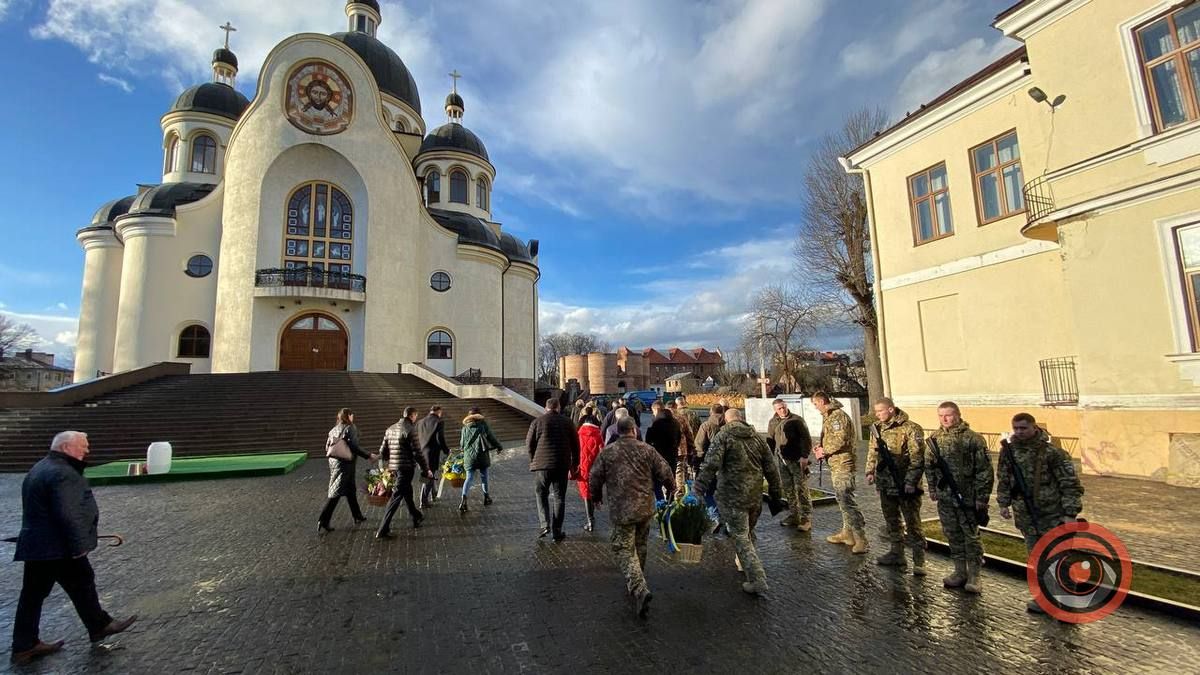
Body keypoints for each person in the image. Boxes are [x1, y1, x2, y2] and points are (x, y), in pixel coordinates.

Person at [9, 431, 136, 666]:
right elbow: (68, 513)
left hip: (39, 546)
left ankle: (24, 645)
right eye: (83, 446)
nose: (86, 451)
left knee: (34, 595)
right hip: (60, 547)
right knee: (82, 581)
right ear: (67, 447)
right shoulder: (63, 474)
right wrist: (79, 546)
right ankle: (99, 625)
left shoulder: (40, 467)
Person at [997, 412, 1084, 613]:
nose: (1019, 432)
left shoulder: (1052, 453)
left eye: (1023, 428)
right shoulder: (1009, 451)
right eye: (1016, 428)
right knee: (1036, 558)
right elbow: (1004, 477)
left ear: (1034, 427)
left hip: (1052, 514)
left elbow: (1070, 484)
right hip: (1026, 515)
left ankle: (1067, 600)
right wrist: (1004, 503)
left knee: (1060, 558)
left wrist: (1070, 513)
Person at [588, 416, 675, 618]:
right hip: (645, 506)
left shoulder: (608, 452)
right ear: (634, 430)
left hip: (622, 509)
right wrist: (671, 487)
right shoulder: (647, 449)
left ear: (618, 432)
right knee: (640, 545)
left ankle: (638, 587)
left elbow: (594, 476)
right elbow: (665, 471)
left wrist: (596, 497)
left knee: (623, 548)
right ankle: (638, 580)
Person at [693, 409, 783, 595]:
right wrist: (776, 493)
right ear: (741, 419)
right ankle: (743, 562)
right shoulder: (757, 437)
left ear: (726, 420)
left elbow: (711, 464)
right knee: (748, 532)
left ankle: (757, 578)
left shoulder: (723, 436)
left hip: (733, 496)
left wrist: (698, 488)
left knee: (741, 537)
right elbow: (771, 467)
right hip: (754, 496)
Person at [926, 402, 993, 593]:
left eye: (948, 415)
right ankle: (959, 571)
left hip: (968, 497)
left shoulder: (973, 439)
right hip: (946, 497)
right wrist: (932, 488)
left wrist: (982, 497)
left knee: (971, 536)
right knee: (952, 534)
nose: (944, 419)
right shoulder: (934, 439)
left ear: (958, 415)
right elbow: (929, 466)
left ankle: (974, 575)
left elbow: (984, 471)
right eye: (941, 416)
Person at [868, 397, 927, 574]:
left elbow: (918, 458)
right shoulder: (877, 428)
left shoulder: (911, 428)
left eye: (880, 411)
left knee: (912, 523)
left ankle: (919, 561)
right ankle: (897, 554)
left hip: (905, 484)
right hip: (886, 483)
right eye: (876, 412)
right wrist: (870, 471)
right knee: (891, 520)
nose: (877, 415)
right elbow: (872, 450)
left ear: (891, 410)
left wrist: (911, 481)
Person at [812, 392, 868, 554]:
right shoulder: (829, 415)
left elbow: (841, 439)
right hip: (836, 462)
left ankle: (861, 538)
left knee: (846, 499)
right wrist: (820, 446)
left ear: (822, 401)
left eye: (816, 404)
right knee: (841, 499)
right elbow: (832, 438)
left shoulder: (837, 416)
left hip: (843, 463)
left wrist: (824, 450)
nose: (816, 408)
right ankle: (847, 533)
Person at [526, 399, 580, 541]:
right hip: (562, 465)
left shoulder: (537, 422)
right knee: (559, 497)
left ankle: (544, 524)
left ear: (546, 407)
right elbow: (576, 445)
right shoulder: (567, 422)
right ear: (558, 407)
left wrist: (533, 461)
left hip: (542, 465)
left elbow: (529, 444)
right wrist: (575, 464)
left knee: (541, 494)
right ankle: (557, 530)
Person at [319, 408, 378, 534]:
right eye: (352, 415)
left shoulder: (334, 429)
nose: (353, 418)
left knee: (351, 490)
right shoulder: (349, 428)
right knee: (335, 493)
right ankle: (323, 519)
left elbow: (327, 446)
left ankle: (357, 515)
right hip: (345, 463)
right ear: (349, 416)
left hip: (335, 462)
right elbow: (354, 446)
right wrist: (368, 455)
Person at [376, 407, 432, 537]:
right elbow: (418, 453)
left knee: (407, 492)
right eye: (415, 416)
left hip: (395, 467)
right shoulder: (410, 430)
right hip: (406, 468)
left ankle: (416, 516)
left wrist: (389, 462)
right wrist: (426, 469)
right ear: (413, 416)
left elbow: (383, 451)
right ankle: (383, 529)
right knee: (396, 497)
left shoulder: (390, 429)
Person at [767, 399, 813, 532]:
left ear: (786, 406)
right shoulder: (773, 422)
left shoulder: (797, 420)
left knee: (801, 489)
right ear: (775, 410)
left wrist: (804, 456)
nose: (782, 410)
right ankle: (794, 514)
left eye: (783, 407)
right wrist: (769, 458)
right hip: (782, 460)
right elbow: (770, 440)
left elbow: (806, 438)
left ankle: (806, 518)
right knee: (788, 488)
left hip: (797, 459)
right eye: (779, 409)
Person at [459, 407, 503, 512]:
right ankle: (486, 497)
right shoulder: (482, 425)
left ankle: (463, 499)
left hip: (469, 456)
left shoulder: (465, 428)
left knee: (469, 478)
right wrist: (499, 446)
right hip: (482, 455)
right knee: (484, 476)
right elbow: (491, 438)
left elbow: (462, 444)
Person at [645, 401, 682, 501]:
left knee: (657, 485)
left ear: (657, 410)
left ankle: (661, 504)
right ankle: (670, 503)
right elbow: (679, 438)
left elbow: (648, 442)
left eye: (653, 411)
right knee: (671, 482)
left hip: (659, 458)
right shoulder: (675, 422)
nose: (653, 414)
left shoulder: (656, 424)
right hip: (672, 457)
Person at [575, 404, 604, 531]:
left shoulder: (578, 434)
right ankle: (593, 514)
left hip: (582, 467)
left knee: (586, 493)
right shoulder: (598, 434)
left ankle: (590, 520)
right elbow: (602, 451)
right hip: (595, 467)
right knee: (593, 490)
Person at [418, 406, 452, 508]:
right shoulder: (439, 421)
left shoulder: (420, 422)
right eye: (440, 413)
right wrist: (446, 450)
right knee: (429, 476)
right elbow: (440, 438)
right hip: (432, 454)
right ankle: (423, 501)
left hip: (421, 453)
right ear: (439, 412)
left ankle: (433, 494)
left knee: (428, 474)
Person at [668, 401, 696, 498]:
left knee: (669, 471)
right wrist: (692, 447)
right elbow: (689, 433)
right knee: (679, 471)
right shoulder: (681, 418)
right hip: (681, 449)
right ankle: (679, 494)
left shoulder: (662, 417)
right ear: (676, 407)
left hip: (667, 450)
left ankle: (669, 492)